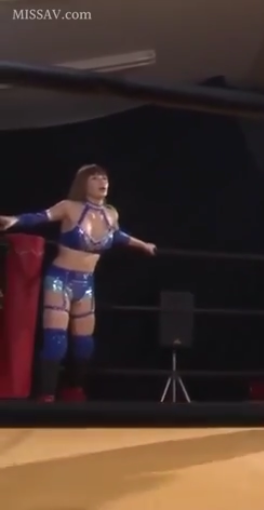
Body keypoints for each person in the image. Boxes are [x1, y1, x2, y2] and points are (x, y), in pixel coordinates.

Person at [0, 164, 156, 402]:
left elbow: (117, 235)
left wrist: (143, 245)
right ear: (83, 183)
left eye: (104, 177)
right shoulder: (69, 207)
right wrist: (14, 220)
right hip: (60, 279)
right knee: (56, 341)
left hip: (86, 282)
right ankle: (46, 395)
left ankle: (74, 389)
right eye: (95, 178)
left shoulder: (111, 213)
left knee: (84, 344)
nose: (102, 181)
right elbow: (41, 217)